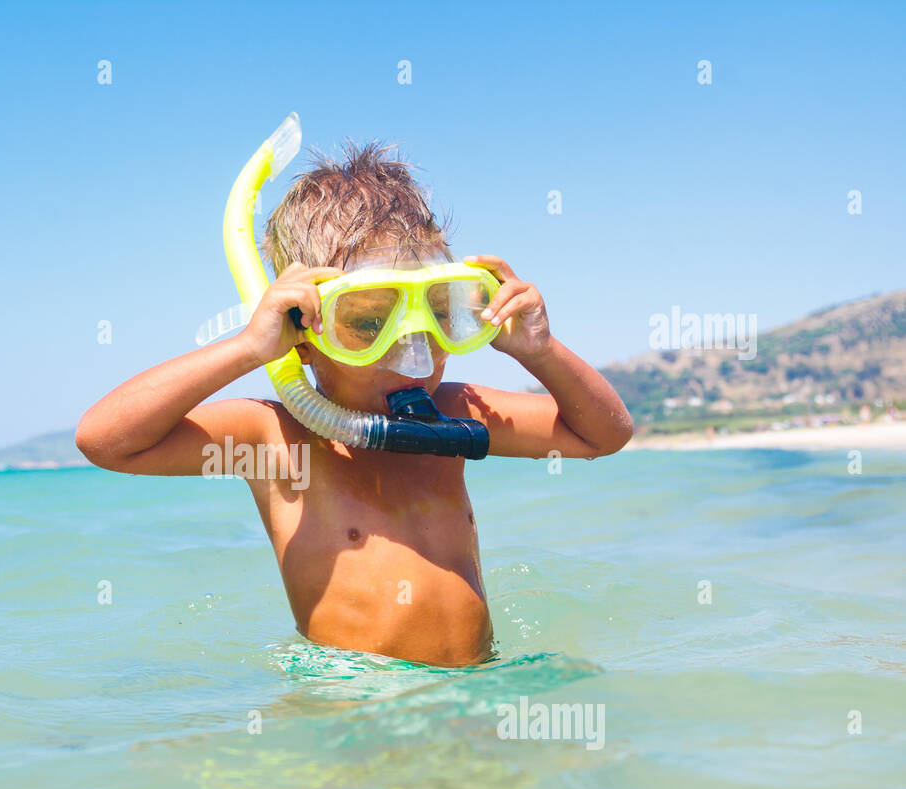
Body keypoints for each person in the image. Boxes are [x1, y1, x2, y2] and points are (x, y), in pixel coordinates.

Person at [77, 139, 632, 666]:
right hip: (353, 702)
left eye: (439, 315)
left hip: (473, 688)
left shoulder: (455, 412)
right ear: (304, 330)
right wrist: (248, 348)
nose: (413, 352)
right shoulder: (276, 441)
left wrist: (542, 351)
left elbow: (603, 436)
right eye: (367, 323)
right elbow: (106, 442)